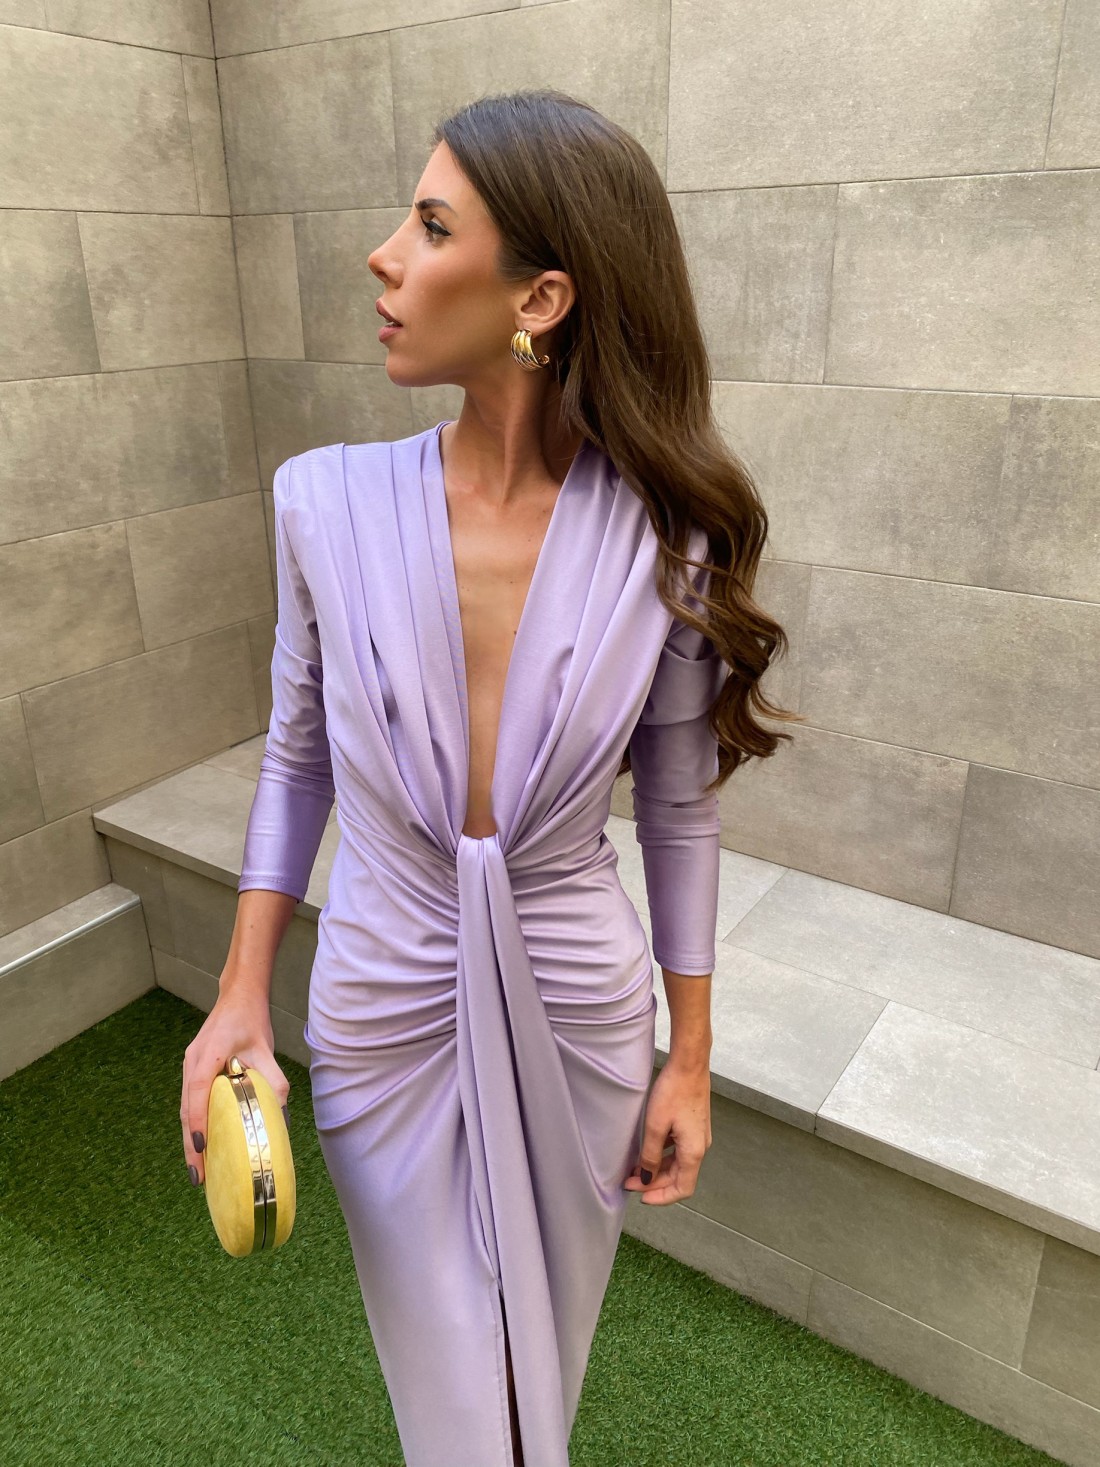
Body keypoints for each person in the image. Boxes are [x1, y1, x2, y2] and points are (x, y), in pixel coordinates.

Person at [180, 89, 797, 1467]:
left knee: (541, 1368)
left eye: (431, 224)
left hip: (579, 1006)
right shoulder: (320, 501)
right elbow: (297, 757)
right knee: (451, 1394)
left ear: (541, 298)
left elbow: (678, 807)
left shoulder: (668, 536)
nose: (384, 255)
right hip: (381, 996)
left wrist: (691, 1058)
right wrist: (239, 992)